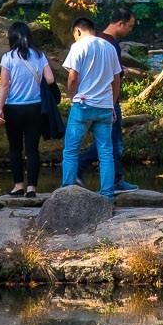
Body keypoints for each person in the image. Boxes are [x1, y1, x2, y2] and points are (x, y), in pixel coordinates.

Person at [76, 3, 140, 192]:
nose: (130, 30)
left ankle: (113, 179)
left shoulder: (100, 41)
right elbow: (111, 76)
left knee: (110, 142)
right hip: (107, 100)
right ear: (120, 23)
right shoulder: (109, 43)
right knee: (112, 143)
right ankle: (83, 168)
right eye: (130, 26)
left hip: (100, 99)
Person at [59, 17, 122, 198]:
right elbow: (116, 80)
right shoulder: (109, 47)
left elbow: (72, 77)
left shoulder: (78, 47)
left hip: (83, 105)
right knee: (106, 152)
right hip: (104, 107)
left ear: (78, 31)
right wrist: (112, 103)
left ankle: (67, 192)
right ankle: (107, 195)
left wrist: (72, 97)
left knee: (71, 150)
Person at [0, 20, 55, 197]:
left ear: (12, 38)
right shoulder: (39, 55)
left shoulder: (8, 57)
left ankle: (18, 186)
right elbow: (51, 79)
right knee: (32, 149)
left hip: (13, 109)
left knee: (15, 148)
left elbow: (4, 85)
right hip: (35, 108)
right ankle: (32, 188)